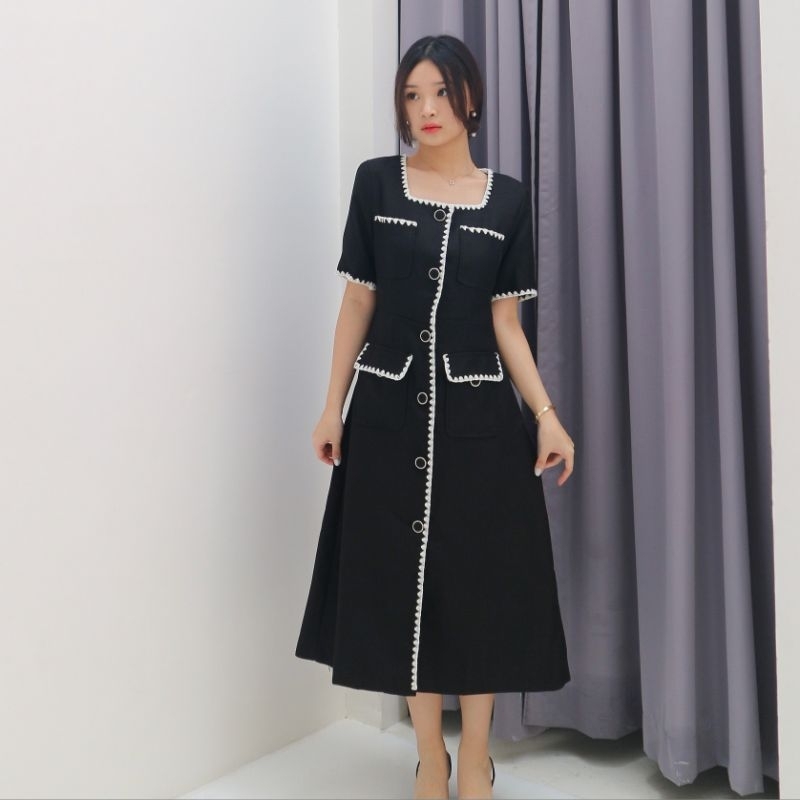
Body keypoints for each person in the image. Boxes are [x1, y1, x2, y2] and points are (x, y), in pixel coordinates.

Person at [295, 34, 574, 800]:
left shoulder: (507, 199)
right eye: (413, 95)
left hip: (480, 422)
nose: (427, 109)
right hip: (386, 416)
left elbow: (506, 323)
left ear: (470, 98)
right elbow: (359, 301)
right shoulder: (377, 184)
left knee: (478, 591)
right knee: (401, 587)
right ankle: (430, 758)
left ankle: (476, 758)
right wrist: (332, 407)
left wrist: (546, 416)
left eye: (441, 93)